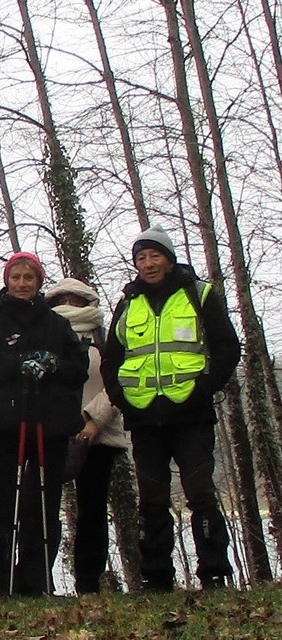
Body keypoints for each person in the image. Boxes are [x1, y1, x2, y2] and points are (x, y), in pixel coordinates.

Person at [101, 227, 240, 591]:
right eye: (141, 258)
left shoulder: (199, 294)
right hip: (144, 416)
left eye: (155, 256)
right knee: (151, 499)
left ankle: (214, 572)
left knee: (201, 492)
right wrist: (119, 396)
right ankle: (156, 576)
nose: (148, 264)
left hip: (191, 414)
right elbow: (111, 358)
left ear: (169, 259)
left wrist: (204, 388)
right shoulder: (128, 302)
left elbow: (227, 348)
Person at [0, 252, 86, 596]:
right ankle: (3, 580)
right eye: (16, 278)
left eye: (29, 278)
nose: (22, 284)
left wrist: (52, 364)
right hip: (5, 426)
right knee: (4, 505)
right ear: (6, 281)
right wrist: (19, 361)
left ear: (39, 281)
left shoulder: (56, 323)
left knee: (43, 504)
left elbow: (77, 368)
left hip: (48, 425)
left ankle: (36, 579)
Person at [47, 277, 127, 594]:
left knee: (92, 509)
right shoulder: (45, 334)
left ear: (87, 303)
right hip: (53, 433)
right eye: (62, 300)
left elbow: (118, 382)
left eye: (76, 300)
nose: (69, 305)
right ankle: (39, 579)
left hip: (99, 436)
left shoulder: (105, 340)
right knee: (44, 509)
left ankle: (88, 582)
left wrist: (94, 421)